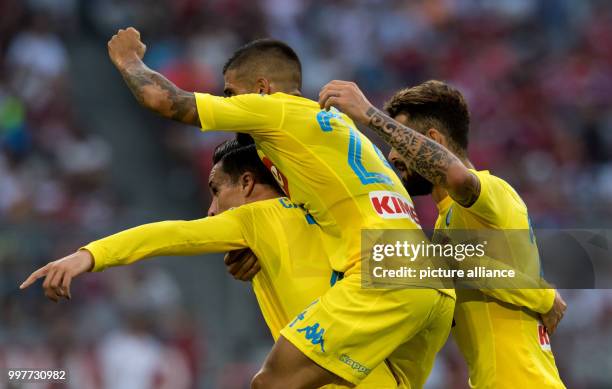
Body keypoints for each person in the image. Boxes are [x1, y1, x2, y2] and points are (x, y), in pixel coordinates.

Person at [105, 27, 455, 388]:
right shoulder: (336, 131)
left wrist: (128, 59)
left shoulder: (274, 110)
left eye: (231, 93)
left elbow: (164, 101)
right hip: (433, 281)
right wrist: (262, 245)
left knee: (271, 383)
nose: (230, 104)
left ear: (261, 88)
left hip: (386, 269)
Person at [20, 140, 401, 388]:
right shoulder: (337, 221)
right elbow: (434, 273)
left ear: (248, 183)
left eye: (217, 191)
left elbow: (171, 235)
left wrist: (87, 255)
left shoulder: (258, 218)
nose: (212, 209)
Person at [319, 79, 567, 388]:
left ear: (433, 140)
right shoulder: (447, 226)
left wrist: (369, 115)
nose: (392, 157)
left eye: (398, 143)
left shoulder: (492, 190)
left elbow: (459, 180)